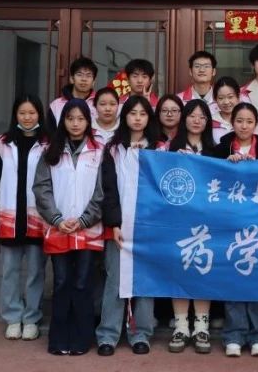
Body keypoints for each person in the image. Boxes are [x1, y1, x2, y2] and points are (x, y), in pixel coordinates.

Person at [32, 99, 105, 356]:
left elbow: (102, 191)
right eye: (70, 118)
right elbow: (41, 188)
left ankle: (81, 339)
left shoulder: (99, 151)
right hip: (58, 228)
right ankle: (59, 339)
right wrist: (57, 219)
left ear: (88, 122)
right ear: (63, 121)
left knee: (83, 282)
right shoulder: (50, 152)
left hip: (88, 229)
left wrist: (84, 220)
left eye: (80, 119)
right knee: (62, 282)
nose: (75, 124)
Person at [207, 103, 258, 357]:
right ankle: (234, 335)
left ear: (256, 124)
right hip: (230, 225)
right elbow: (209, 179)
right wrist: (225, 166)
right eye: (239, 121)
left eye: (249, 121)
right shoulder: (221, 148)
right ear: (232, 123)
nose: (244, 126)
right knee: (234, 278)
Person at [95, 95, 160, 356]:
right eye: (133, 113)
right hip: (120, 227)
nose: (137, 118)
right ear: (125, 117)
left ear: (149, 118)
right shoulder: (112, 149)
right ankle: (107, 334)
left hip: (149, 227)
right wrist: (114, 223)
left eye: (143, 114)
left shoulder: (159, 150)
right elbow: (108, 190)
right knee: (115, 280)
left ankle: (141, 333)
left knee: (145, 281)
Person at [0, 94, 49, 342]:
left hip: (37, 217)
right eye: (22, 113)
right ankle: (12, 317)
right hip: (9, 216)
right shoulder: (4, 143)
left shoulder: (47, 144)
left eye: (32, 113)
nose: (27, 117)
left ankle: (31, 317)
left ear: (39, 114)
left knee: (36, 271)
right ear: (15, 115)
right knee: (10, 270)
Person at [165, 99, 216, 354]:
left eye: (202, 117)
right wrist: (173, 161)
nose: (196, 120)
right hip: (178, 221)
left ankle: (202, 326)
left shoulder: (215, 151)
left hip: (208, 222)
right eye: (192, 115)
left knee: (203, 270)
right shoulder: (170, 149)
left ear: (208, 122)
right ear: (184, 119)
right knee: (180, 269)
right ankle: (181, 325)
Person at [48, 56, 98, 129]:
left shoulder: (99, 105)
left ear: (93, 82)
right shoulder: (56, 106)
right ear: (71, 79)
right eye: (79, 75)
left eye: (88, 75)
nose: (84, 79)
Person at [177, 51, 220, 117]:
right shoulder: (179, 100)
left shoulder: (222, 100)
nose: (202, 70)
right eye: (197, 66)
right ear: (190, 71)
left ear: (213, 71)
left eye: (206, 66)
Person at [212, 76, 240, 143]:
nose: (226, 102)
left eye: (230, 97)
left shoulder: (247, 120)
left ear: (238, 97)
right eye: (221, 98)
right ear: (215, 99)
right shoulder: (210, 122)